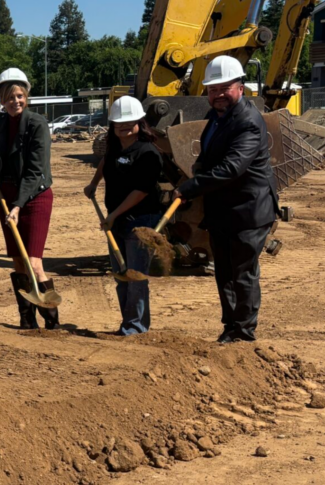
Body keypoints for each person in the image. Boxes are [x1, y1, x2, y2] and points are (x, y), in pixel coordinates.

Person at [173, 55, 278, 344]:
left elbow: (233, 167)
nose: (217, 94)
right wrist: (198, 169)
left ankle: (243, 332)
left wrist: (192, 187)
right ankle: (230, 326)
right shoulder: (215, 118)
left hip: (249, 209)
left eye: (224, 87)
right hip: (223, 208)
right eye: (212, 89)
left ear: (240, 88)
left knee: (242, 271)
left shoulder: (248, 122)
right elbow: (209, 155)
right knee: (224, 271)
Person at [0, 68, 60, 330]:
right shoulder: (0, 122)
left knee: (34, 262)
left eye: (20, 96)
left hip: (34, 199)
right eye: (10, 97)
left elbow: (35, 170)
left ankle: (51, 320)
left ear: (26, 96)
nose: (16, 101)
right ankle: (27, 319)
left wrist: (18, 206)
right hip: (6, 199)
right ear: (2, 100)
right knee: (18, 261)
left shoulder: (37, 124)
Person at [83, 96, 163, 336]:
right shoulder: (115, 148)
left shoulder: (148, 153)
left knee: (136, 276)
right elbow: (105, 162)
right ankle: (127, 323)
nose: (124, 126)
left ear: (140, 122)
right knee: (120, 275)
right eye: (119, 123)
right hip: (116, 221)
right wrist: (93, 184)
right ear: (113, 125)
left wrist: (114, 214)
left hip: (140, 221)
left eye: (129, 122)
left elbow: (141, 191)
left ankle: (136, 327)